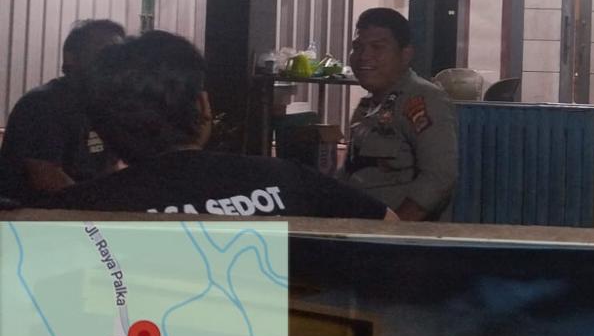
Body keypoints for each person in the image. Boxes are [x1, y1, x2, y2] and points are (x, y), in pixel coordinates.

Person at [45, 31, 393, 220]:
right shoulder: (289, 180)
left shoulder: (72, 210)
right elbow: (393, 229)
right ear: (202, 106)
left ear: (104, 129)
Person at [340, 8, 457, 220]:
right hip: (357, 227)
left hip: (397, 236)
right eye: (357, 47)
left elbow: (439, 177)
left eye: (377, 47)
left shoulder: (423, 99)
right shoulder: (368, 105)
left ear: (405, 55)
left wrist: (394, 228)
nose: (364, 56)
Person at [0, 18, 125, 202]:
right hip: (37, 214)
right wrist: (103, 208)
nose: (113, 62)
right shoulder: (43, 104)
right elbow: (46, 177)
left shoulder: (105, 106)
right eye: (104, 52)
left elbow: (110, 169)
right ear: (70, 58)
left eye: (118, 55)